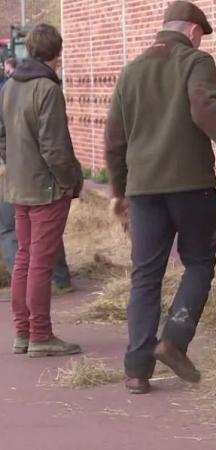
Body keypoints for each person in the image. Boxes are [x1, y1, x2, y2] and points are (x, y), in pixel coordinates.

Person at [105, 0, 216, 395]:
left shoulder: (130, 72)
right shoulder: (195, 61)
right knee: (199, 264)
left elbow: (114, 140)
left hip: (143, 191)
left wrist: (118, 191)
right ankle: (175, 339)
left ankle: (136, 370)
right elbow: (203, 107)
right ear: (193, 32)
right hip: (191, 187)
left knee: (144, 277)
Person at [0, 24, 83, 357]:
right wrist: (71, 181)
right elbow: (55, 148)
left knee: (24, 258)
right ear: (56, 54)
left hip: (18, 185)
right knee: (40, 263)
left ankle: (23, 333)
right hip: (46, 188)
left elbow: (2, 137)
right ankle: (41, 335)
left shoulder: (9, 87)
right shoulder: (48, 90)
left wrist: (17, 161)